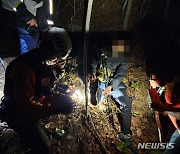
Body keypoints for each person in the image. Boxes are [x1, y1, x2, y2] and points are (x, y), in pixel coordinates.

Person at [0, 27, 74, 154]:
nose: (56, 61)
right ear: (46, 48)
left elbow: (45, 86)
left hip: (29, 105)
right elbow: (25, 109)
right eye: (55, 57)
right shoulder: (25, 69)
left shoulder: (43, 61)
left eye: (59, 60)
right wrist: (55, 107)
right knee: (43, 147)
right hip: (16, 113)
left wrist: (62, 89)